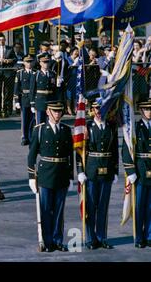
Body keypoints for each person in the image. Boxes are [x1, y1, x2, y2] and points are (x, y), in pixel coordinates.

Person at [27, 101, 73, 252]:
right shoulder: (39, 130)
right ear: (47, 112)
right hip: (46, 174)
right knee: (45, 209)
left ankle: (57, 240)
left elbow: (69, 155)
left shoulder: (66, 130)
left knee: (59, 210)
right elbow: (32, 155)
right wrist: (31, 177)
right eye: (54, 111)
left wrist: (71, 176)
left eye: (60, 111)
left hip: (61, 174)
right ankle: (47, 242)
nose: (58, 114)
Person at [76, 101, 118, 250]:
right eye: (96, 109)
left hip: (106, 169)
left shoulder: (111, 127)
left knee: (103, 206)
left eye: (102, 109)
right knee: (91, 205)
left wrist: (115, 170)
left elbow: (114, 150)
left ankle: (102, 237)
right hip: (91, 170)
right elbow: (79, 150)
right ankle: (90, 238)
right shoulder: (86, 126)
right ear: (92, 110)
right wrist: (80, 170)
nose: (99, 112)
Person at [122, 99, 151, 248]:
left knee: (150, 206)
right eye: (146, 109)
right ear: (140, 111)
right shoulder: (134, 128)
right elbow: (126, 149)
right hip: (140, 170)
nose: (149, 112)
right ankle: (139, 237)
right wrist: (130, 170)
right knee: (139, 206)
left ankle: (149, 235)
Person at [13, 55, 35, 146]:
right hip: (24, 98)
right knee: (25, 119)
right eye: (27, 62)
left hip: (33, 98)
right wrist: (16, 100)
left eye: (30, 62)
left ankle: (31, 137)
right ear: (24, 63)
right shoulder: (20, 73)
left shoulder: (35, 73)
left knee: (33, 119)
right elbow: (16, 87)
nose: (29, 63)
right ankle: (24, 137)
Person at [30, 53, 57, 125]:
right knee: (40, 122)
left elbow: (55, 89)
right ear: (40, 63)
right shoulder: (36, 74)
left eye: (48, 62)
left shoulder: (53, 74)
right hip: (40, 100)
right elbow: (32, 89)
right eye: (44, 62)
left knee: (50, 121)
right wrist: (32, 103)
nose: (46, 64)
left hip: (50, 100)